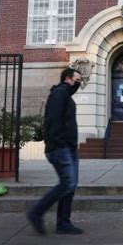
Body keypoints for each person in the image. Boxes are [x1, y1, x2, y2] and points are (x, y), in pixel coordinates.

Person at [27, 68, 83, 235]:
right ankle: (36, 212)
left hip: (70, 147)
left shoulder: (66, 95)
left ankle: (63, 223)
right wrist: (58, 143)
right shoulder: (59, 93)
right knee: (67, 183)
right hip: (60, 147)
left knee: (70, 186)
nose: (79, 83)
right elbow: (54, 119)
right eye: (77, 79)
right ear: (68, 79)